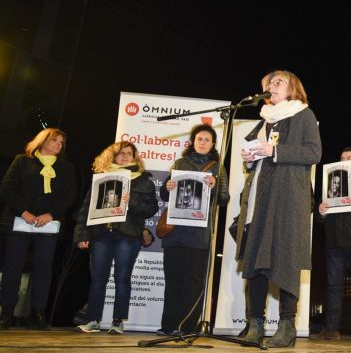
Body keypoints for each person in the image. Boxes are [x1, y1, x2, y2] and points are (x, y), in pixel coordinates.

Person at [237, 70, 321, 347]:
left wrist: (275, 151)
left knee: (286, 258)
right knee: (256, 262)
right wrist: (249, 156)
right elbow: (253, 152)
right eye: (268, 84)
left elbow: (313, 153)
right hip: (261, 199)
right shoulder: (263, 121)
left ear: (292, 88)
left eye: (277, 83)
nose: (271, 87)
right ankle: (255, 324)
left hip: (289, 200)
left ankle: (287, 326)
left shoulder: (303, 115)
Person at [73, 141, 158, 333]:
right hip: (101, 233)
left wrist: (133, 201)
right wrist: (82, 235)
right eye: (120, 153)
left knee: (122, 278)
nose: (125, 156)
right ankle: (92, 320)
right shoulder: (101, 178)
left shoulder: (144, 181)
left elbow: (151, 209)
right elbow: (86, 210)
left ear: (135, 157)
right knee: (98, 278)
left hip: (128, 235)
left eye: (129, 153)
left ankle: (118, 321)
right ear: (113, 157)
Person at [0, 128, 76, 329]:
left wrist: (50, 215)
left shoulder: (66, 167)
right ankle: (6, 310)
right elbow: (7, 187)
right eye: (55, 140)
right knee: (12, 266)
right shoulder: (22, 161)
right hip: (20, 220)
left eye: (61, 142)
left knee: (43, 267)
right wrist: (23, 212)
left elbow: (69, 196)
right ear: (42, 141)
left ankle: (38, 313)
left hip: (48, 224)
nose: (59, 144)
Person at [158, 123, 229, 336]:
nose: (203, 143)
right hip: (175, 232)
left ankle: (187, 328)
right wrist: (167, 187)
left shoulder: (218, 167)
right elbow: (164, 194)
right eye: (200, 139)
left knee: (194, 282)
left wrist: (215, 186)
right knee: (173, 280)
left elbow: (224, 200)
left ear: (213, 144)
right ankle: (169, 326)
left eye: (207, 140)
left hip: (199, 234)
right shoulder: (179, 162)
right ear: (193, 142)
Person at [310, 147, 351, 342]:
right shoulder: (332, 181)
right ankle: (332, 329)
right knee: (333, 286)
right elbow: (321, 215)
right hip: (334, 240)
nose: (344, 159)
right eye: (342, 157)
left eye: (348, 157)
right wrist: (320, 211)